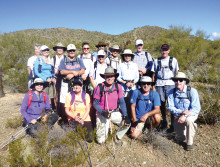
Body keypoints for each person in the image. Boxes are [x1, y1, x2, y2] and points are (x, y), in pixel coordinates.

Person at [93, 67, 130, 145]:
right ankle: (105, 130)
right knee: (101, 141)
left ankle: (117, 136)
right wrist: (102, 112)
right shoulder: (99, 87)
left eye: (111, 76)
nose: (109, 78)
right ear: (104, 77)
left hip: (114, 112)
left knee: (127, 123)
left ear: (114, 77)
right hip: (103, 113)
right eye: (107, 76)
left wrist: (125, 115)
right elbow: (95, 103)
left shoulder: (118, 87)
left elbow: (122, 102)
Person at [167, 72, 201, 151]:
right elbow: (170, 107)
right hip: (179, 114)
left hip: (191, 114)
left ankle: (190, 143)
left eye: (181, 80)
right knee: (180, 138)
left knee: (189, 120)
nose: (178, 82)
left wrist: (185, 115)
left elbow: (196, 108)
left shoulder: (192, 91)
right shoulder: (171, 92)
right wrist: (181, 112)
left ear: (184, 81)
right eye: (176, 80)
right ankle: (188, 130)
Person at [152, 44, 179, 132]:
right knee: (162, 103)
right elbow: (154, 74)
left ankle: (173, 123)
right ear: (161, 50)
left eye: (166, 49)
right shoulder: (156, 61)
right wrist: (153, 85)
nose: (164, 51)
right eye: (163, 49)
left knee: (171, 103)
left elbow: (176, 72)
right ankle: (164, 121)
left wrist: (177, 84)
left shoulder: (173, 60)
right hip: (159, 83)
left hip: (170, 83)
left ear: (168, 51)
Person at [59, 44, 86, 124]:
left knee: (76, 100)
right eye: (70, 50)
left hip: (76, 84)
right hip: (66, 84)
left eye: (73, 50)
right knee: (66, 102)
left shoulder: (79, 60)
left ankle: (77, 119)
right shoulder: (64, 60)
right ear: (67, 51)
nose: (72, 52)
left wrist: (74, 74)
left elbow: (82, 70)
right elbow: (62, 71)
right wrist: (72, 71)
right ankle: (67, 120)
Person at [65, 78, 93, 142]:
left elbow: (87, 109)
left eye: (79, 85)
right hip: (73, 118)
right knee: (74, 138)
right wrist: (74, 117)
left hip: (85, 118)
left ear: (82, 86)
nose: (77, 87)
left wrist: (82, 119)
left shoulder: (86, 95)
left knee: (90, 139)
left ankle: (83, 130)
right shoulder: (69, 96)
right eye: (75, 85)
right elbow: (67, 110)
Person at [117, 49, 139, 119]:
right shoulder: (121, 65)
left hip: (132, 87)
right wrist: (125, 82)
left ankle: (132, 120)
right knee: (123, 104)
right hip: (123, 87)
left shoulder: (134, 65)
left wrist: (133, 83)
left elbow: (137, 77)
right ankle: (125, 119)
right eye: (125, 55)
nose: (127, 57)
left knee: (132, 104)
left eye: (129, 55)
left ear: (131, 56)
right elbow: (118, 77)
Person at [51, 43, 67, 108]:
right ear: (56, 50)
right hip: (56, 78)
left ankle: (63, 110)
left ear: (63, 50)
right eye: (58, 48)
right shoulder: (53, 59)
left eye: (61, 48)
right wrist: (53, 76)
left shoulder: (66, 58)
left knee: (63, 94)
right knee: (56, 94)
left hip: (64, 78)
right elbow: (51, 69)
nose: (60, 50)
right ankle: (57, 110)